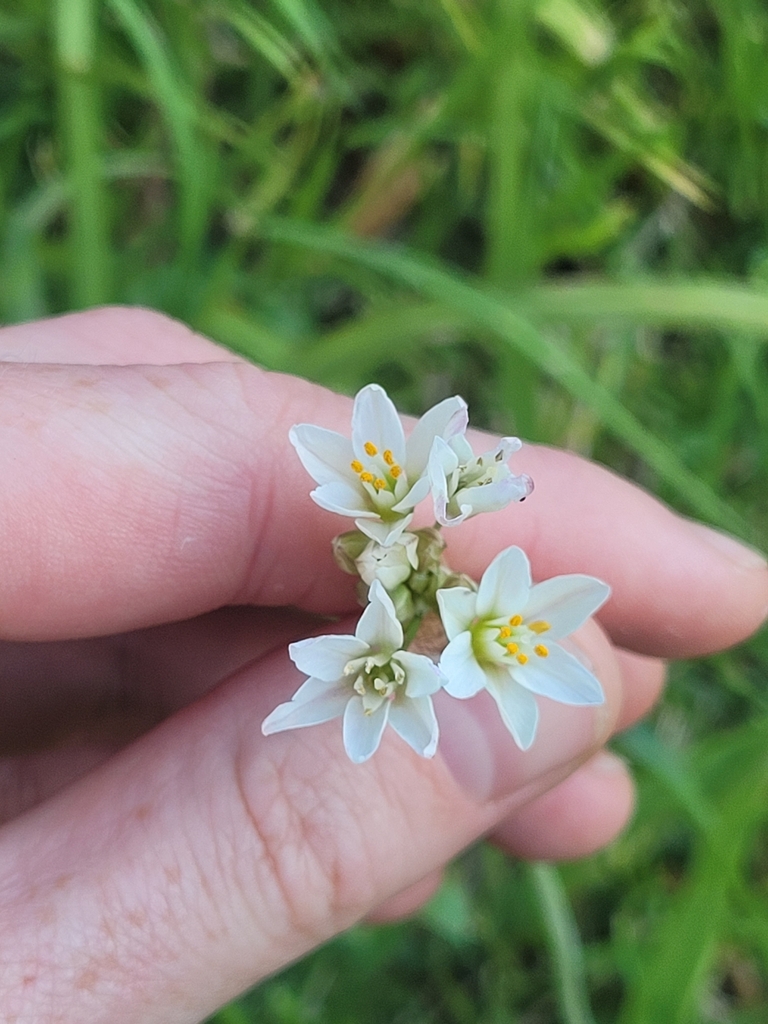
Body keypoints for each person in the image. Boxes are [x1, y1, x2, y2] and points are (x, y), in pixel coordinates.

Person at [0, 306, 765, 1023]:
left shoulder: (463, 612)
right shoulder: (414, 575)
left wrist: (434, 624)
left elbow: (449, 623)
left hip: (430, 623)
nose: (387, 489)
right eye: (388, 487)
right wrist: (408, 606)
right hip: (413, 622)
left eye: (396, 487)